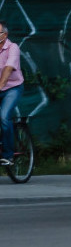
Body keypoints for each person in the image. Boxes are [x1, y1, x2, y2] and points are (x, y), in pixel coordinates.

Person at [0, 21, 24, 167]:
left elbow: (8, 69)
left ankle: (8, 155)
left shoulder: (13, 48)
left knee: (4, 116)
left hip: (12, 88)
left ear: (5, 35)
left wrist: (0, 86)